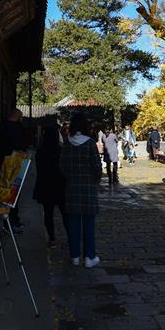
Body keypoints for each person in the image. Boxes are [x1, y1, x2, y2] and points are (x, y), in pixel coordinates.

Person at [60, 113, 102, 267]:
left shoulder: (66, 143)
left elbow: (62, 166)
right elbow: (97, 167)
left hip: (71, 188)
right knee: (89, 224)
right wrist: (95, 181)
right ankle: (90, 257)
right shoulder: (90, 143)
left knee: (73, 224)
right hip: (88, 188)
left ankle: (75, 256)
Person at [34, 123, 68, 247]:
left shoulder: (40, 151)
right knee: (65, 213)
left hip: (45, 185)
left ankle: (52, 238)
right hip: (60, 185)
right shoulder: (61, 150)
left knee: (48, 214)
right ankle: (70, 235)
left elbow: (38, 169)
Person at [0, 108, 26, 232]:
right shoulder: (15, 128)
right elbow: (19, 145)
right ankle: (11, 222)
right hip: (13, 163)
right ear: (17, 116)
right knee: (13, 194)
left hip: (3, 162)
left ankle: (8, 221)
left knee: (6, 192)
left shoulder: (0, 126)